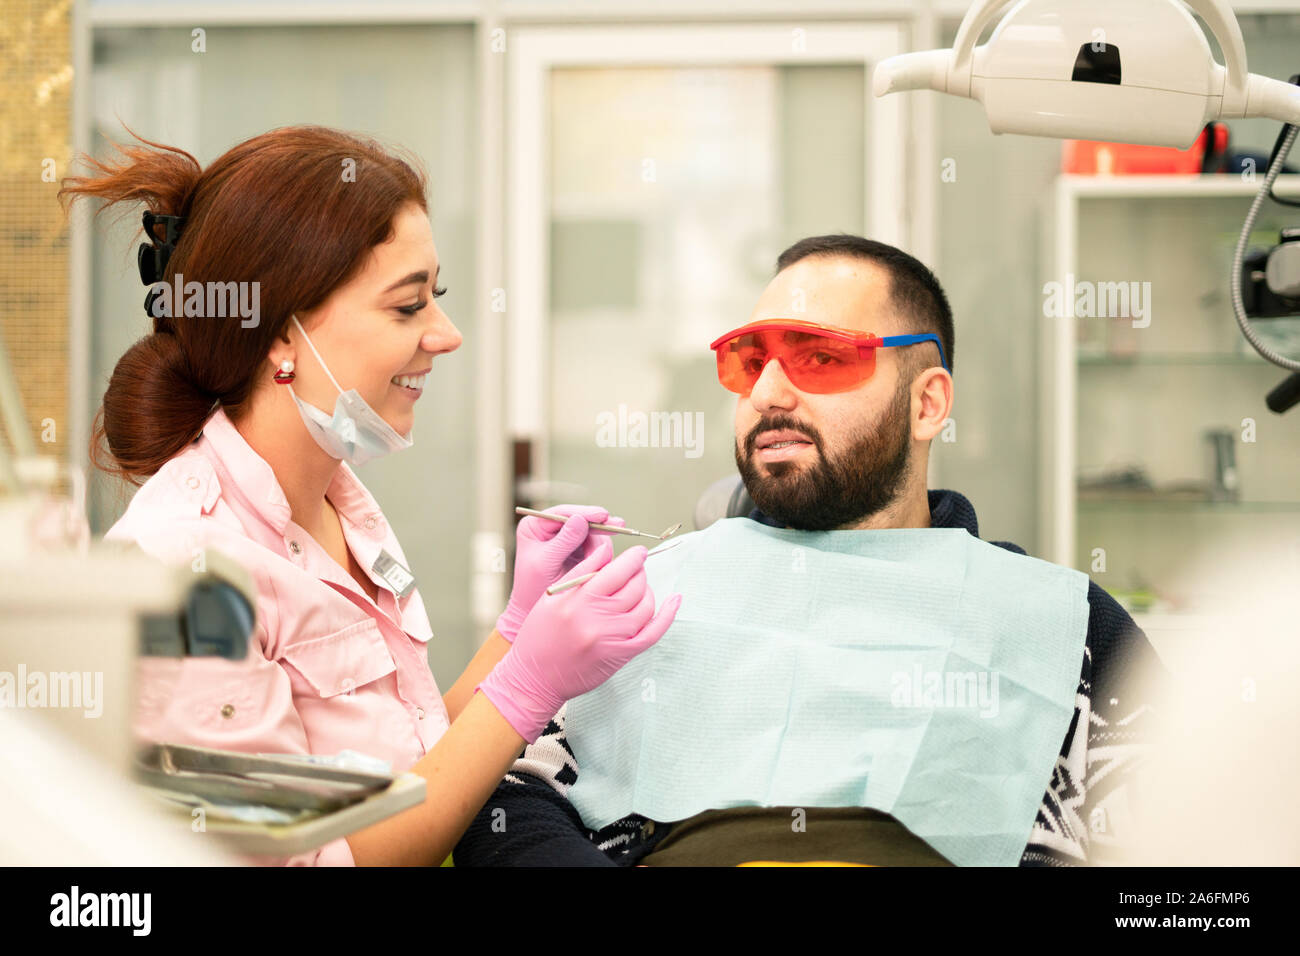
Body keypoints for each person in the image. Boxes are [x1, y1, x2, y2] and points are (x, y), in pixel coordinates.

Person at [57, 125, 681, 866]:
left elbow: (406, 768)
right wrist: (529, 684)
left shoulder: (336, 504)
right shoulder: (184, 569)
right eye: (407, 306)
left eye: (436, 297)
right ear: (283, 333)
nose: (445, 335)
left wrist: (515, 633)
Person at [453, 234, 1167, 867]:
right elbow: (502, 799)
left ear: (927, 405)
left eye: (820, 358)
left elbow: (1188, 839)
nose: (768, 392)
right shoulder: (637, 600)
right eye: (749, 360)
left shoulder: (1064, 627)